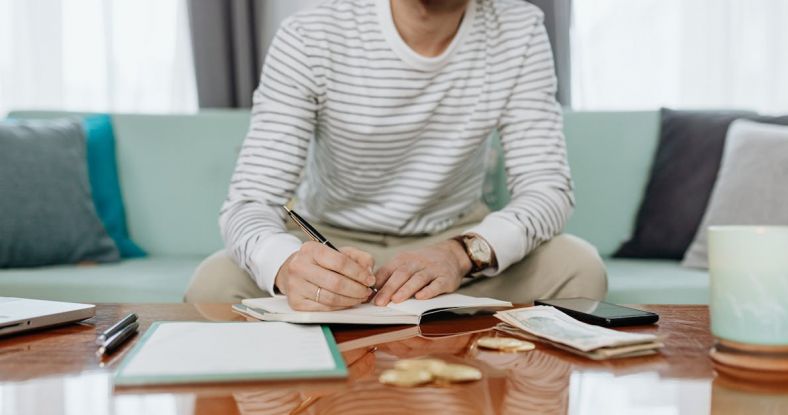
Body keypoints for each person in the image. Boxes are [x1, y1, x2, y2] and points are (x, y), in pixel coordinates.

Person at [185, 0, 607, 308]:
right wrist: (288, 266)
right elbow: (251, 201)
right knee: (213, 286)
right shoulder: (310, 34)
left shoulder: (520, 28)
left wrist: (460, 254)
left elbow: (547, 190)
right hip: (335, 244)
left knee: (579, 268)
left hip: (454, 243)